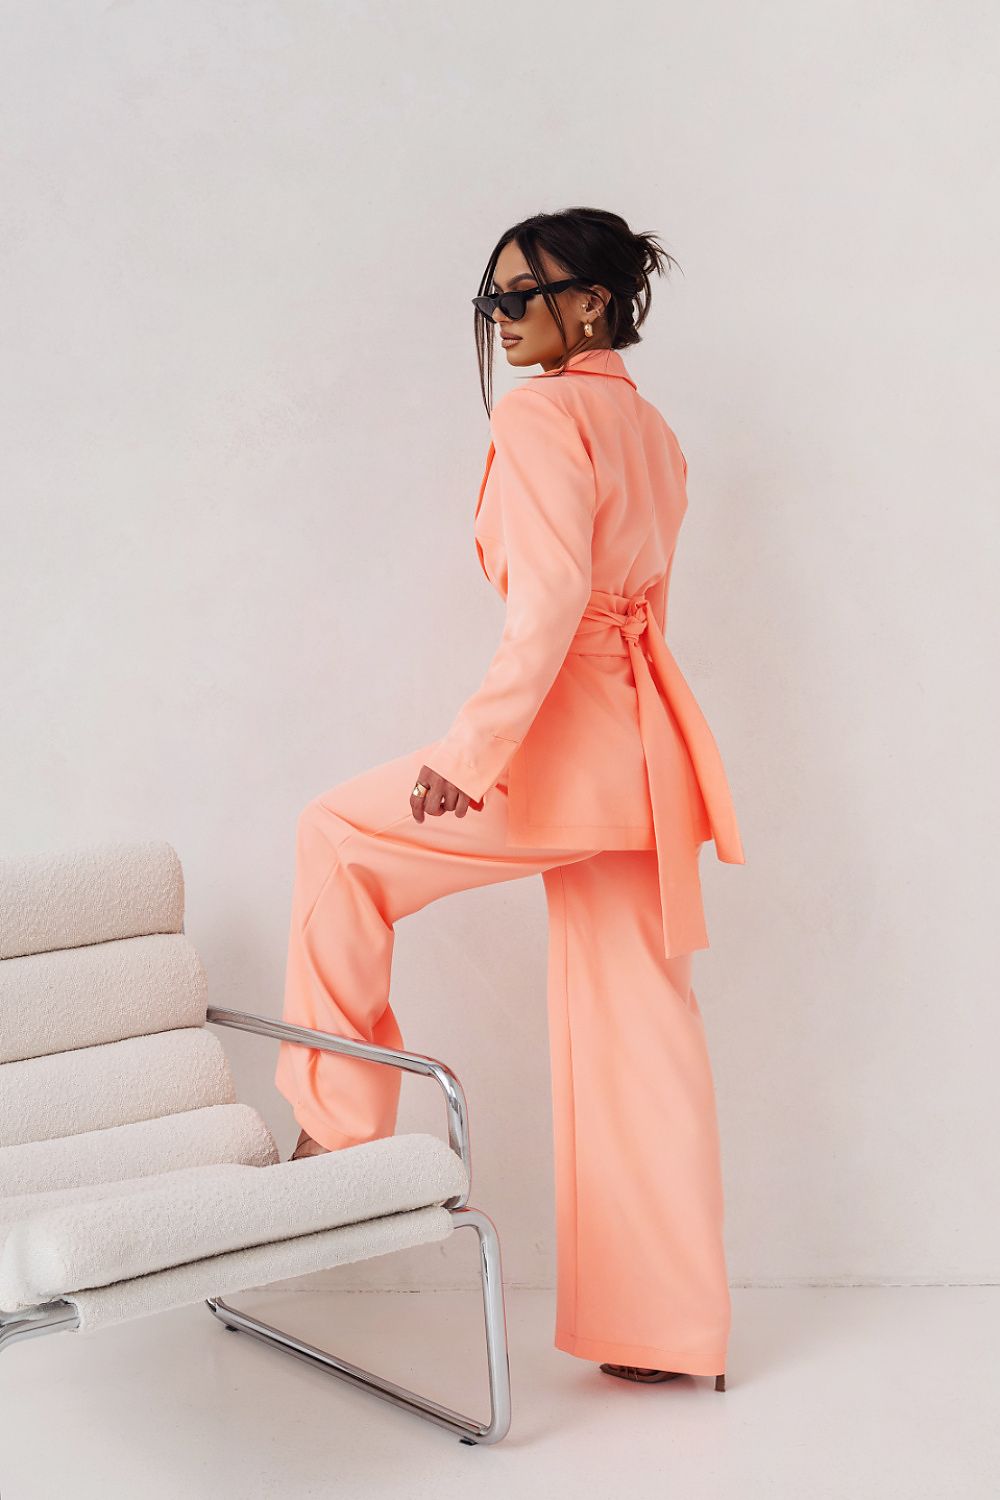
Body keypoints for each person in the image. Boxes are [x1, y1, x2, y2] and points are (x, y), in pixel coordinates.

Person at [275, 207, 745, 1390]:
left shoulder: (540, 416)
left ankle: (339, 1128)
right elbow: (642, 610)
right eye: (490, 301)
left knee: (337, 838)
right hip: (647, 762)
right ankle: (663, 1333)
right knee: (643, 1036)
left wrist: (470, 751)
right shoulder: (652, 431)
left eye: (519, 297)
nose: (501, 319)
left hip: (558, 749)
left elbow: (550, 601)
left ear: (590, 303)